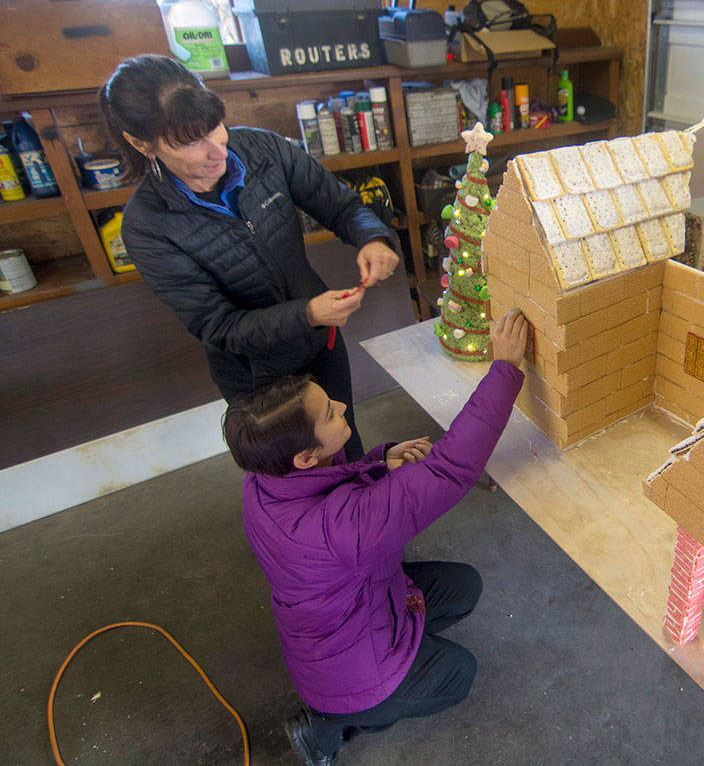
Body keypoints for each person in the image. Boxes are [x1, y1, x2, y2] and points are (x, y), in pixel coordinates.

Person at [224, 309, 529, 766]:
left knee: (464, 586)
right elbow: (450, 469)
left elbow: (328, 487)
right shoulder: (344, 529)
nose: (343, 408)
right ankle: (330, 726)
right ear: (306, 456)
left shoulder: (264, 478)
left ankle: (399, 650)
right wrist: (504, 370)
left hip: (340, 615)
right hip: (351, 671)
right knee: (458, 674)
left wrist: (379, 462)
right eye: (330, 413)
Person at [101, 54, 397, 457]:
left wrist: (373, 237)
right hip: (257, 374)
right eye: (191, 141)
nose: (216, 152)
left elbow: (341, 206)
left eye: (214, 128)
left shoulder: (262, 150)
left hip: (320, 342)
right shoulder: (147, 225)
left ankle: (363, 513)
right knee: (297, 471)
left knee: (344, 439)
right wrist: (305, 313)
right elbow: (219, 326)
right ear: (141, 144)